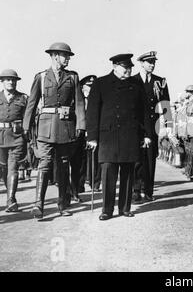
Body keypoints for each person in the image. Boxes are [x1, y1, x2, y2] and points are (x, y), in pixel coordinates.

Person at [23, 42, 86, 220]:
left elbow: (79, 102)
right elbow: (32, 103)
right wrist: (27, 126)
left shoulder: (73, 77)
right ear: (55, 56)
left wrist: (81, 124)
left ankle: (63, 204)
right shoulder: (41, 77)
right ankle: (38, 205)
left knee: (64, 165)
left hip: (66, 128)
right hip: (44, 128)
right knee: (44, 164)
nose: (68, 59)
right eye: (65, 56)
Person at [86, 54, 151, 220]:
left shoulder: (136, 84)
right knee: (108, 172)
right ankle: (107, 210)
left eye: (130, 68)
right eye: (125, 68)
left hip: (130, 135)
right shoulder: (101, 84)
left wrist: (147, 134)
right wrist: (92, 137)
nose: (128, 71)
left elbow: (144, 112)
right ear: (115, 66)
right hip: (108, 136)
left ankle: (124, 208)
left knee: (128, 173)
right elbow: (92, 112)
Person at [133, 51, 172, 203]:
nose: (152, 64)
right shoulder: (133, 80)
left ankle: (148, 191)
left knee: (150, 159)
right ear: (141, 63)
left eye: (154, 62)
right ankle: (136, 191)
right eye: (149, 62)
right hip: (136, 126)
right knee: (136, 159)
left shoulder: (160, 81)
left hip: (153, 125)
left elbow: (165, 103)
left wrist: (168, 125)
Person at [0, 69, 28, 212]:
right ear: (2, 82)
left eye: (13, 80)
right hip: (0, 138)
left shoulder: (23, 98)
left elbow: (28, 119)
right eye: (7, 79)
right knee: (4, 168)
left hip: (17, 137)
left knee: (13, 167)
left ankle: (11, 199)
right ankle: (10, 196)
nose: (11, 82)